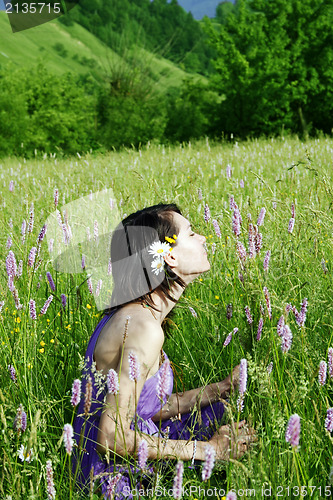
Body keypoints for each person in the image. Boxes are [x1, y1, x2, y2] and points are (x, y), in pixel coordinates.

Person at [72, 203, 256, 498]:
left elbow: (146, 406)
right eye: (192, 233)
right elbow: (112, 437)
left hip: (116, 462)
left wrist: (222, 388)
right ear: (169, 256)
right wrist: (208, 449)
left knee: (226, 406)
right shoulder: (143, 328)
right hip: (114, 481)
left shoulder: (132, 314)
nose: (203, 238)